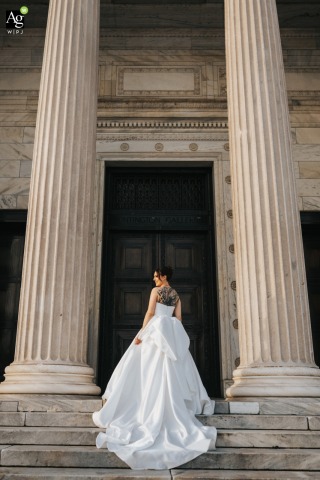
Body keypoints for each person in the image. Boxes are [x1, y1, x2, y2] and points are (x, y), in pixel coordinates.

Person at [92, 266, 217, 470]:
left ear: (164, 276)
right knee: (172, 367)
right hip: (170, 331)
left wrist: (142, 333)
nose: (153, 279)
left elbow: (150, 312)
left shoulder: (156, 292)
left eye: (156, 276)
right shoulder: (175, 294)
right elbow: (179, 319)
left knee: (146, 369)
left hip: (155, 330)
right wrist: (172, 334)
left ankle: (145, 399)